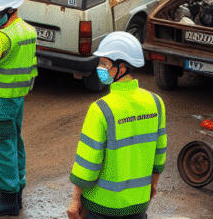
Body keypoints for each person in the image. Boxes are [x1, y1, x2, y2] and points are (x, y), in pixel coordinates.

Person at [67, 32, 167, 219]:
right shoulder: (156, 103)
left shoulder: (100, 109)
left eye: (104, 63)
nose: (100, 68)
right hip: (138, 204)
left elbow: (88, 162)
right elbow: (159, 153)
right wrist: (153, 184)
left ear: (121, 67)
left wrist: (75, 199)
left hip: (102, 205)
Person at [0, 0, 38, 217]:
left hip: (1, 102)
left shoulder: (3, 36)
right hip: (17, 100)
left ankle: (8, 201)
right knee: (16, 144)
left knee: (2, 148)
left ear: (10, 9)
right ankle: (18, 194)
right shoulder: (29, 30)